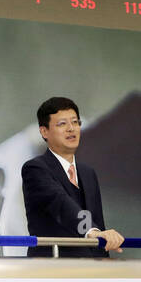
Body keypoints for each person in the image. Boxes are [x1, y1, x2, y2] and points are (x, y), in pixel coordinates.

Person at [21, 97, 124, 257]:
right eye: (62, 124)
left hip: (90, 272)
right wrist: (91, 231)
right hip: (50, 270)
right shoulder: (35, 169)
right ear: (44, 131)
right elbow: (61, 203)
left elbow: (99, 227)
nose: (71, 129)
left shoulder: (88, 173)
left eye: (75, 122)